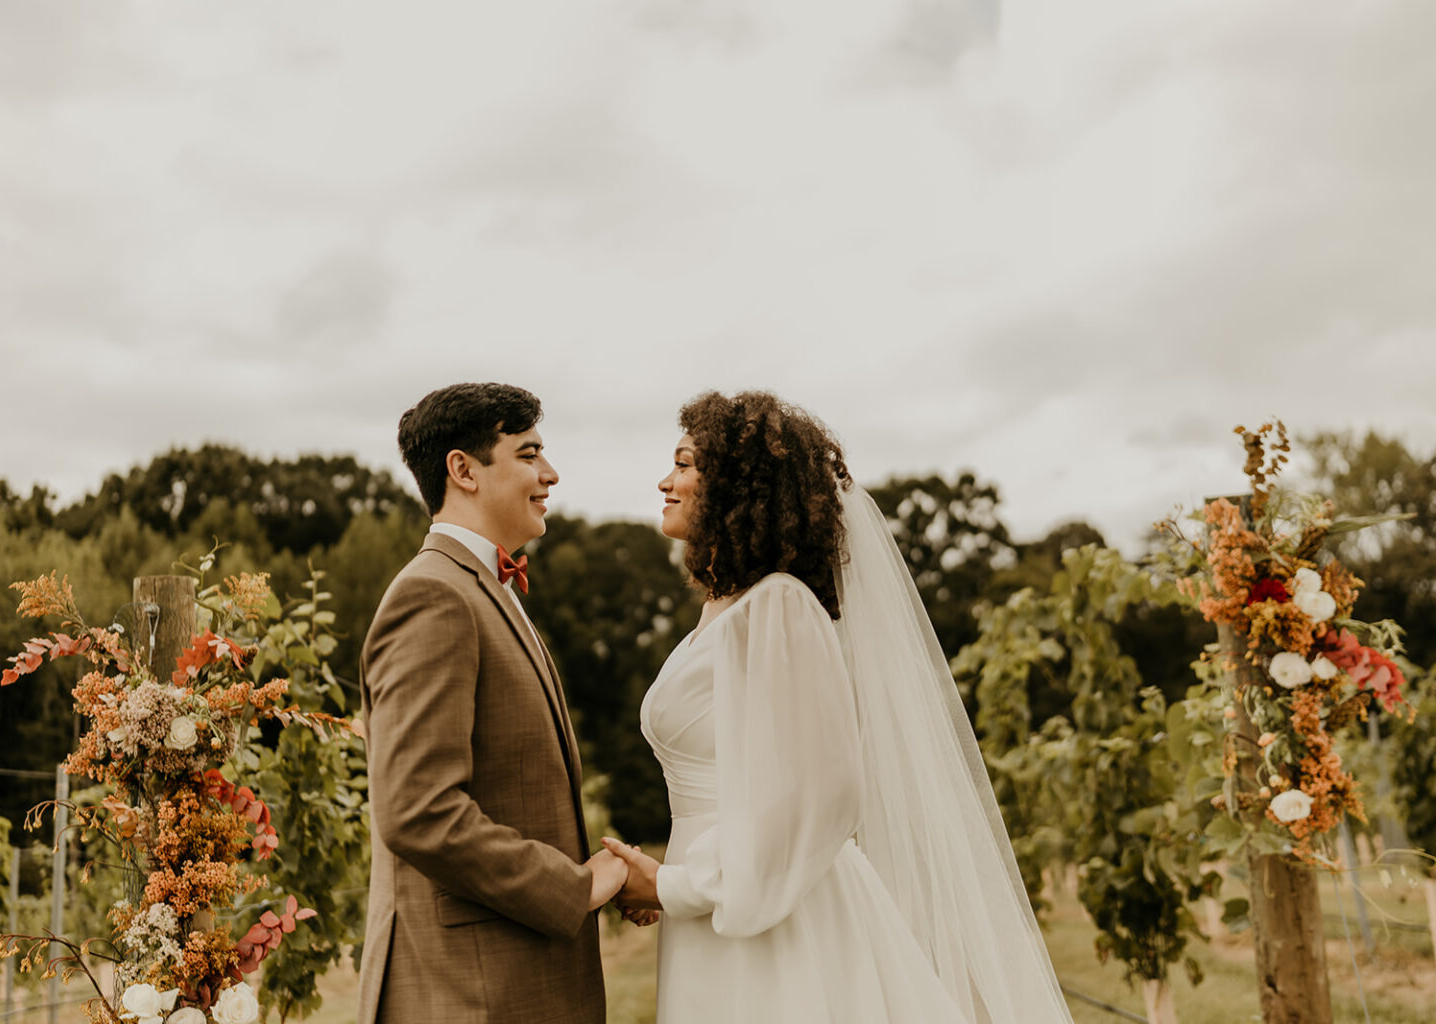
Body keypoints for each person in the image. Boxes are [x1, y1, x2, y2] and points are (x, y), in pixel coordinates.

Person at [603, 390, 1075, 1023]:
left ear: (739, 486)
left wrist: (671, 884)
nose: (666, 481)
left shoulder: (779, 607)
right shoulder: (728, 609)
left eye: (685, 464)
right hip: (723, 906)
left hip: (782, 922)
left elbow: (817, 795)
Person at [358, 382, 626, 1024]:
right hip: (467, 995)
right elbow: (419, 810)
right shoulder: (434, 595)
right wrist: (575, 886)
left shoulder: (485, 589)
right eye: (529, 454)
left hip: (511, 985)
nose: (550, 473)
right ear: (463, 470)